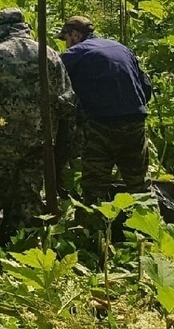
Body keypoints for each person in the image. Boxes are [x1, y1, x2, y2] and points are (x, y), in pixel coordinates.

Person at [0, 8, 76, 245]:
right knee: (29, 191)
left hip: (0, 138)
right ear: (26, 27)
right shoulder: (50, 54)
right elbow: (66, 99)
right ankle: (23, 242)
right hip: (40, 137)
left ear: (1, 29)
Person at [56, 15, 153, 205]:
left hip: (101, 123)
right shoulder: (122, 48)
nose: (66, 45)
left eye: (66, 39)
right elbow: (145, 86)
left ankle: (96, 230)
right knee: (139, 183)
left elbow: (55, 83)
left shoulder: (76, 53)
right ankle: (151, 227)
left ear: (75, 35)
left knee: (95, 185)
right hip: (135, 120)